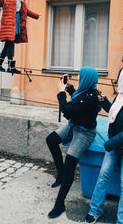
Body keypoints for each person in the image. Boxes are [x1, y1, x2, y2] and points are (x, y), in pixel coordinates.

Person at [85, 67, 123, 224]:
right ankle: (95, 210)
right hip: (114, 144)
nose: (118, 79)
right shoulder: (122, 95)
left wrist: (110, 143)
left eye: (120, 76)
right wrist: (104, 101)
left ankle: (122, 221)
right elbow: (114, 114)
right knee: (103, 176)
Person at [46, 66, 99, 219]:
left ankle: (59, 204)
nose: (78, 77)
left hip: (84, 133)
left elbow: (68, 110)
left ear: (86, 79)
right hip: (74, 125)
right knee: (51, 140)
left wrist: (62, 92)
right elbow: (77, 97)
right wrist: (69, 89)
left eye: (81, 76)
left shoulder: (91, 97)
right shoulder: (86, 91)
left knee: (70, 164)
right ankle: (60, 174)